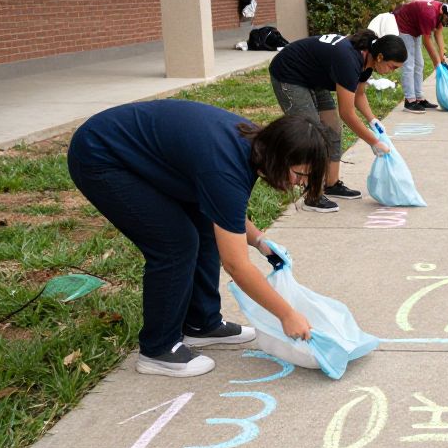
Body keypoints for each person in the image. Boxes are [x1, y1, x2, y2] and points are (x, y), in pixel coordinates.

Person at [68, 100, 326, 377]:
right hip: (101, 156)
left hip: (134, 150)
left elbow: (222, 210)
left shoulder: (256, 147)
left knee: (204, 226)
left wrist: (259, 240)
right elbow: (236, 266)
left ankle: (201, 323)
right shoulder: (225, 166)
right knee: (174, 243)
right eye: (300, 174)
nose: (300, 183)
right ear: (280, 155)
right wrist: (286, 314)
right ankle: (157, 349)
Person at [269, 29, 406, 213]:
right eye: (393, 67)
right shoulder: (349, 60)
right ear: (380, 57)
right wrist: (374, 141)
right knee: (311, 133)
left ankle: (331, 183)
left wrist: (373, 120)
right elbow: (347, 113)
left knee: (333, 127)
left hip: (314, 75)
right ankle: (313, 195)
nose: (392, 72)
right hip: (289, 73)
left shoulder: (368, 57)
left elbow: (359, 94)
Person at [394, 0, 448, 114]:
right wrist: (437, 64)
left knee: (419, 64)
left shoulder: (441, 12)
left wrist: (442, 56)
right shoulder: (429, 15)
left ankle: (419, 98)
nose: (446, 24)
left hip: (415, 28)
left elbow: (438, 34)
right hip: (404, 27)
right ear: (445, 13)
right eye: (447, 21)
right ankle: (410, 101)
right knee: (409, 64)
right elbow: (427, 41)